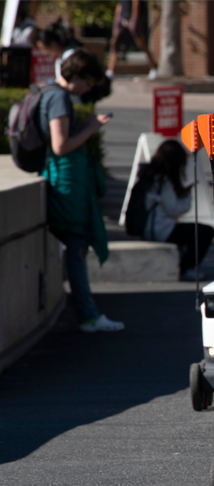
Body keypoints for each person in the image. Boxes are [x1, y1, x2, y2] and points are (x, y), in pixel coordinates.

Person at [38, 49, 124, 332]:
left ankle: (88, 313)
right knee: (76, 247)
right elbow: (60, 145)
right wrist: (89, 128)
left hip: (62, 179)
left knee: (76, 247)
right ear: (74, 75)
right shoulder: (59, 97)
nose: (88, 89)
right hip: (65, 182)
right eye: (86, 82)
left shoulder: (50, 93)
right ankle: (87, 316)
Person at [142, 140, 214, 281]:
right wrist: (186, 195)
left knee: (189, 231)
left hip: (150, 226)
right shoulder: (162, 181)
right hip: (160, 229)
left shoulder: (149, 175)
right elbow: (174, 210)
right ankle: (184, 268)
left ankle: (180, 264)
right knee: (205, 232)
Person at [107, 0, 158, 80]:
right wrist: (117, 18)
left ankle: (154, 67)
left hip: (132, 18)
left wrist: (134, 19)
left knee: (141, 44)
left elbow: (136, 2)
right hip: (121, 18)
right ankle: (110, 70)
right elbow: (120, 4)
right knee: (114, 43)